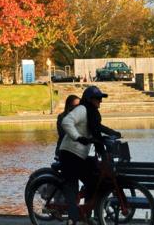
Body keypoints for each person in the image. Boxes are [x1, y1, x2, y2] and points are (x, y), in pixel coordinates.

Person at [59, 86, 122, 225]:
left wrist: (112, 132)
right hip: (69, 153)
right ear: (89, 99)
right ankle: (72, 218)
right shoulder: (82, 109)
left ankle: (86, 215)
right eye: (98, 98)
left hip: (79, 155)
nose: (100, 101)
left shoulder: (92, 114)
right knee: (72, 185)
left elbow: (98, 128)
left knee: (92, 182)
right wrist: (78, 137)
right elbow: (66, 122)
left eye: (101, 98)